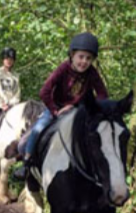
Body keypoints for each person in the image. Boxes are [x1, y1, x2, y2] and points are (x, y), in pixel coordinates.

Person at [14, 32, 108, 179]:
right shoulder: (63, 69)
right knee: (38, 129)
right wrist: (55, 110)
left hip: (78, 110)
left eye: (88, 58)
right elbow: (44, 92)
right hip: (55, 108)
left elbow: (103, 94)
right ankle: (26, 163)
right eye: (81, 57)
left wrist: (93, 109)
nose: (84, 61)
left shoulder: (92, 73)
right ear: (72, 55)